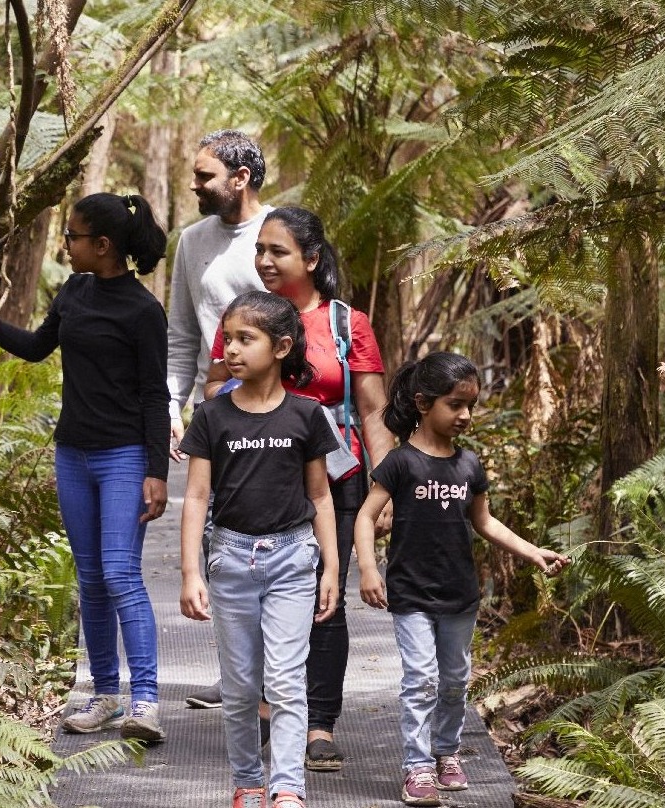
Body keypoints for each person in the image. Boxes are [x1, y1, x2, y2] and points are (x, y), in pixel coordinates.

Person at [0, 192, 171, 744]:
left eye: (73, 236)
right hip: (73, 453)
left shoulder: (142, 310)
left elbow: (154, 395)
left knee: (119, 574)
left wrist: (155, 470)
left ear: (103, 246)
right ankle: (106, 693)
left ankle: (146, 701)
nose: (67, 245)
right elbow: (39, 347)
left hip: (124, 457)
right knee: (90, 578)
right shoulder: (75, 291)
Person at [199, 206, 393, 771]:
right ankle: (266, 706)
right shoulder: (245, 317)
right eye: (259, 250)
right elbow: (215, 387)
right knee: (263, 592)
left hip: (338, 475)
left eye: (277, 251)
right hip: (259, 470)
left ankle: (319, 724)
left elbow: (373, 408)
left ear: (311, 259)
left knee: (324, 600)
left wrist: (386, 488)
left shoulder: (345, 324)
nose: (263, 261)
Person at [354, 352, 570, 807]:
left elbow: (486, 523)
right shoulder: (399, 463)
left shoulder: (469, 465)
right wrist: (370, 568)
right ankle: (416, 767)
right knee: (421, 678)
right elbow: (366, 516)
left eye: (471, 404)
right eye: (455, 404)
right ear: (422, 403)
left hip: (460, 593)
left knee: (454, 679)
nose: (466, 415)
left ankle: (447, 752)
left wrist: (534, 552)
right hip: (411, 592)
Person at [178, 290, 340, 808]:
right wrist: (190, 573)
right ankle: (248, 781)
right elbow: (197, 496)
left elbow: (320, 495)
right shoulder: (211, 416)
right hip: (230, 560)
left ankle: (287, 787)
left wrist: (332, 565)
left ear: (281, 346)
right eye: (227, 338)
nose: (231, 349)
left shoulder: (307, 416)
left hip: (294, 559)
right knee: (243, 687)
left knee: (287, 681)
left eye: (246, 339)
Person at [167, 129, 272, 461]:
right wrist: (172, 405)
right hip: (212, 406)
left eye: (204, 176)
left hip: (275, 407)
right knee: (212, 508)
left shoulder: (282, 231)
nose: (193, 184)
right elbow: (183, 333)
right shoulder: (191, 240)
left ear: (240, 178)